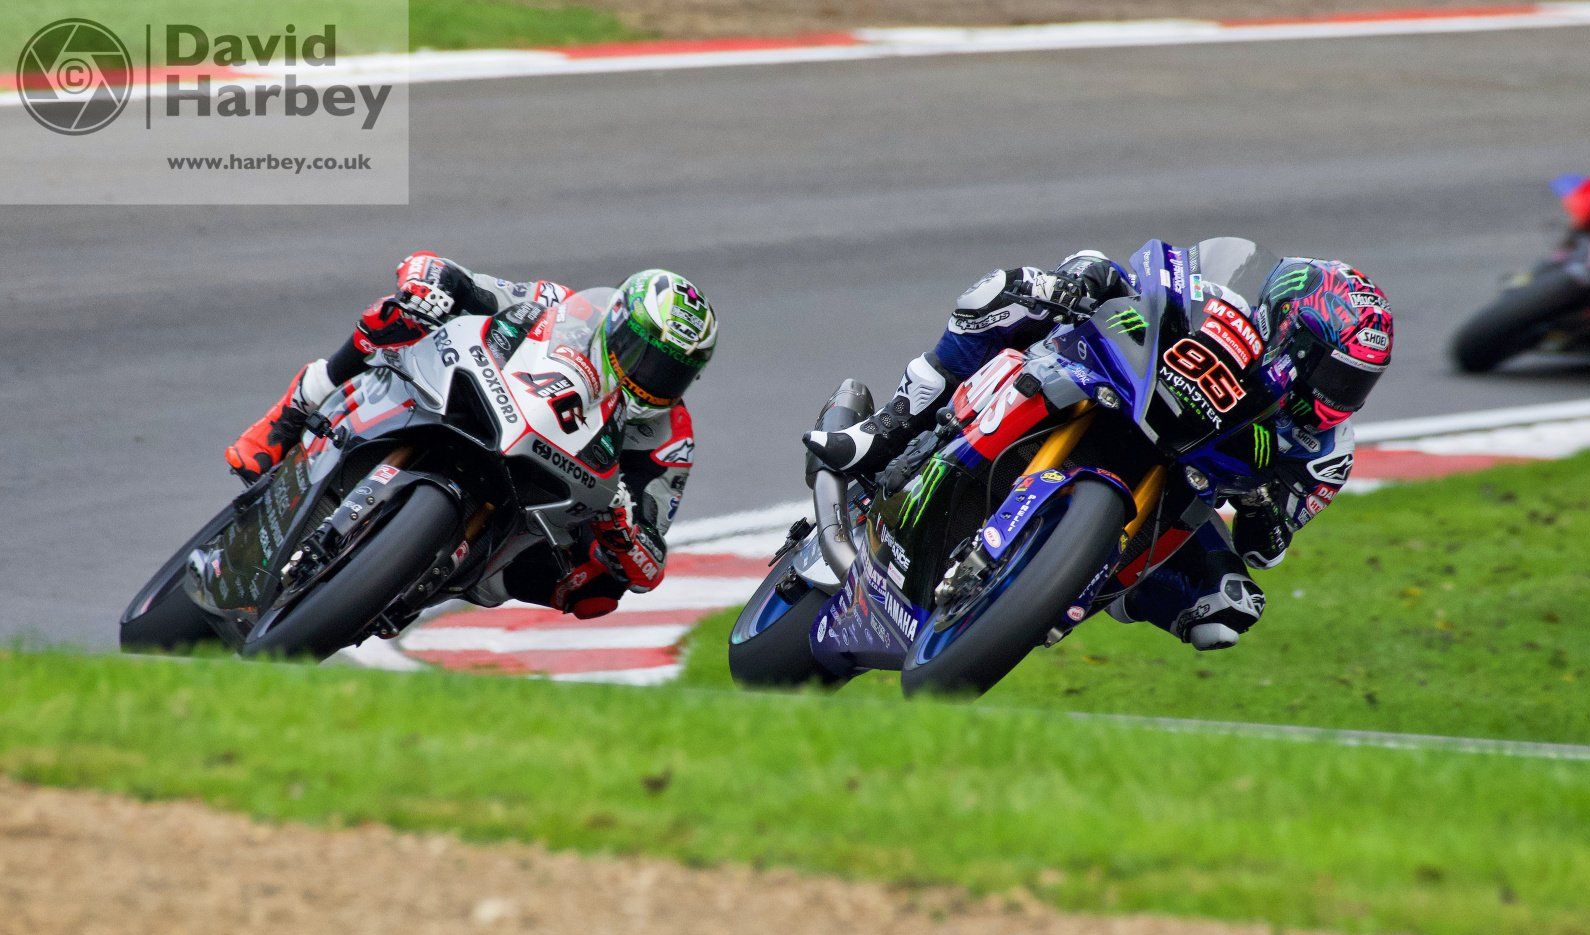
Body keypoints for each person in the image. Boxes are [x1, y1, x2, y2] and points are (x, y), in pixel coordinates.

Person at [806, 247, 1392, 650]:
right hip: (1112, 394)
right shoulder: (1223, 305)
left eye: (1359, 384)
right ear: (1294, 329)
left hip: (1176, 489)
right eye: (1338, 376)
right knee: (1006, 293)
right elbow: (1135, 278)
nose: (1342, 398)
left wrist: (1264, 504)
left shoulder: (1325, 448)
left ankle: (1070, 590)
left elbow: (1268, 549)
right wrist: (1085, 281)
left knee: (1228, 609)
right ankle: (881, 434)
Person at [224, 252, 716, 619]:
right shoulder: (563, 307)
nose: (648, 378)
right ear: (615, 324)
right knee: (398, 313)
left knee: (599, 591)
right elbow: (458, 279)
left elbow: (649, 565)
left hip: (546, 498)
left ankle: (428, 577)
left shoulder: (669, 437)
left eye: (669, 373)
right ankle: (296, 407)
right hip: (484, 401)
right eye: (643, 355)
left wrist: (624, 533)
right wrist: (429, 285)